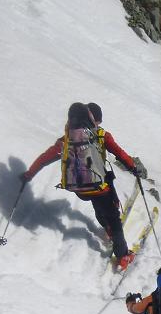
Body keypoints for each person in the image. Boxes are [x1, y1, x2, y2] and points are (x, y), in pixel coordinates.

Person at [22, 101, 147, 271]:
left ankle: (107, 227)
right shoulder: (102, 135)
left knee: (98, 203)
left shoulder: (67, 140)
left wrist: (29, 174)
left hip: (79, 189)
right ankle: (123, 254)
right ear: (94, 120)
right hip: (99, 186)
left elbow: (45, 158)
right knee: (112, 215)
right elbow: (120, 153)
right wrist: (133, 167)